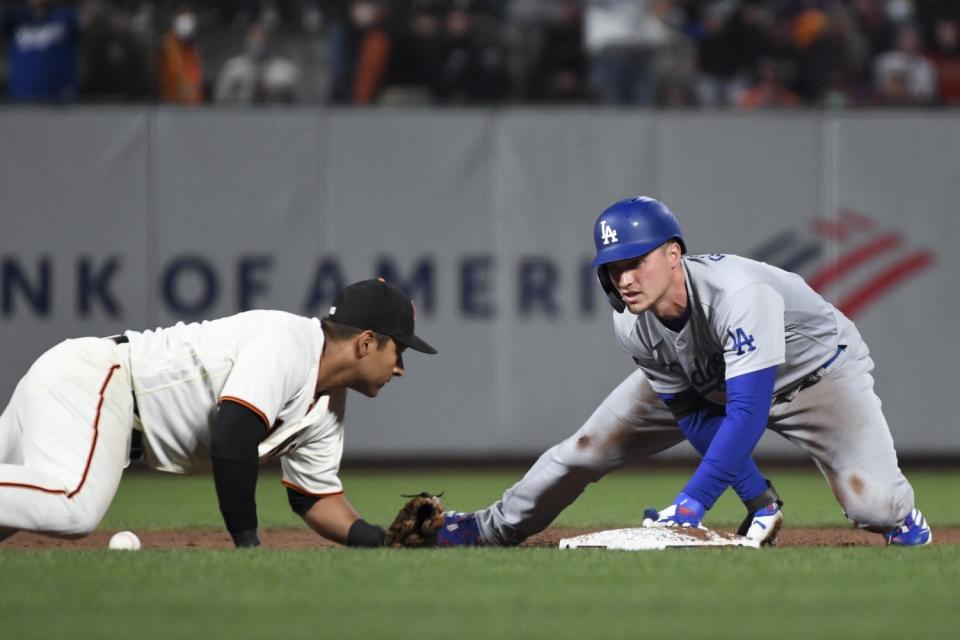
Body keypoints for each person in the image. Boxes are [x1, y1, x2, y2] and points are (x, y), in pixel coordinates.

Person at [437, 196, 932, 548]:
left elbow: (748, 411)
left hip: (817, 377)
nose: (624, 279)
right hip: (709, 378)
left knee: (876, 507)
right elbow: (694, 414)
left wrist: (693, 503)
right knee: (584, 450)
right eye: (612, 267)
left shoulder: (739, 294)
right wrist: (758, 498)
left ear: (674, 253)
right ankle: (488, 528)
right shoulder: (633, 323)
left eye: (636, 261)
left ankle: (906, 517)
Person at [0, 279, 436, 549]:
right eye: (398, 349)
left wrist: (379, 540)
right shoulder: (287, 340)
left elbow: (314, 498)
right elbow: (233, 437)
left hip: (94, 392)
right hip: (99, 380)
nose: (400, 367)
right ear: (365, 343)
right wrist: (247, 543)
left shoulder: (328, 404)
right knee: (74, 507)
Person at [214, 22, 300, 104]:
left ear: (269, 40)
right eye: (254, 36)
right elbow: (220, 96)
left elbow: (295, 96)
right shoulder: (233, 67)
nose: (258, 42)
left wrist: (273, 90)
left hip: (277, 116)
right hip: (240, 115)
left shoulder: (285, 69)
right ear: (247, 40)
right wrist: (243, 88)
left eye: (262, 37)